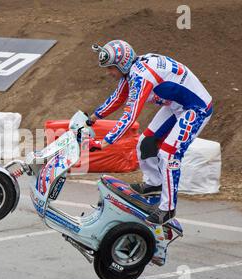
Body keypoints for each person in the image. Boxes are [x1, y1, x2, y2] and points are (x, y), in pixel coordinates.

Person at [87, 40, 213, 224]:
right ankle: (154, 183)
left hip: (196, 108)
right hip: (176, 105)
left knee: (168, 155)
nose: (109, 73)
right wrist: (93, 117)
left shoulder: (142, 76)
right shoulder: (132, 70)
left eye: (111, 68)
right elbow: (118, 96)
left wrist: (104, 142)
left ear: (122, 63)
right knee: (145, 142)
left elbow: (130, 116)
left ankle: (167, 209)